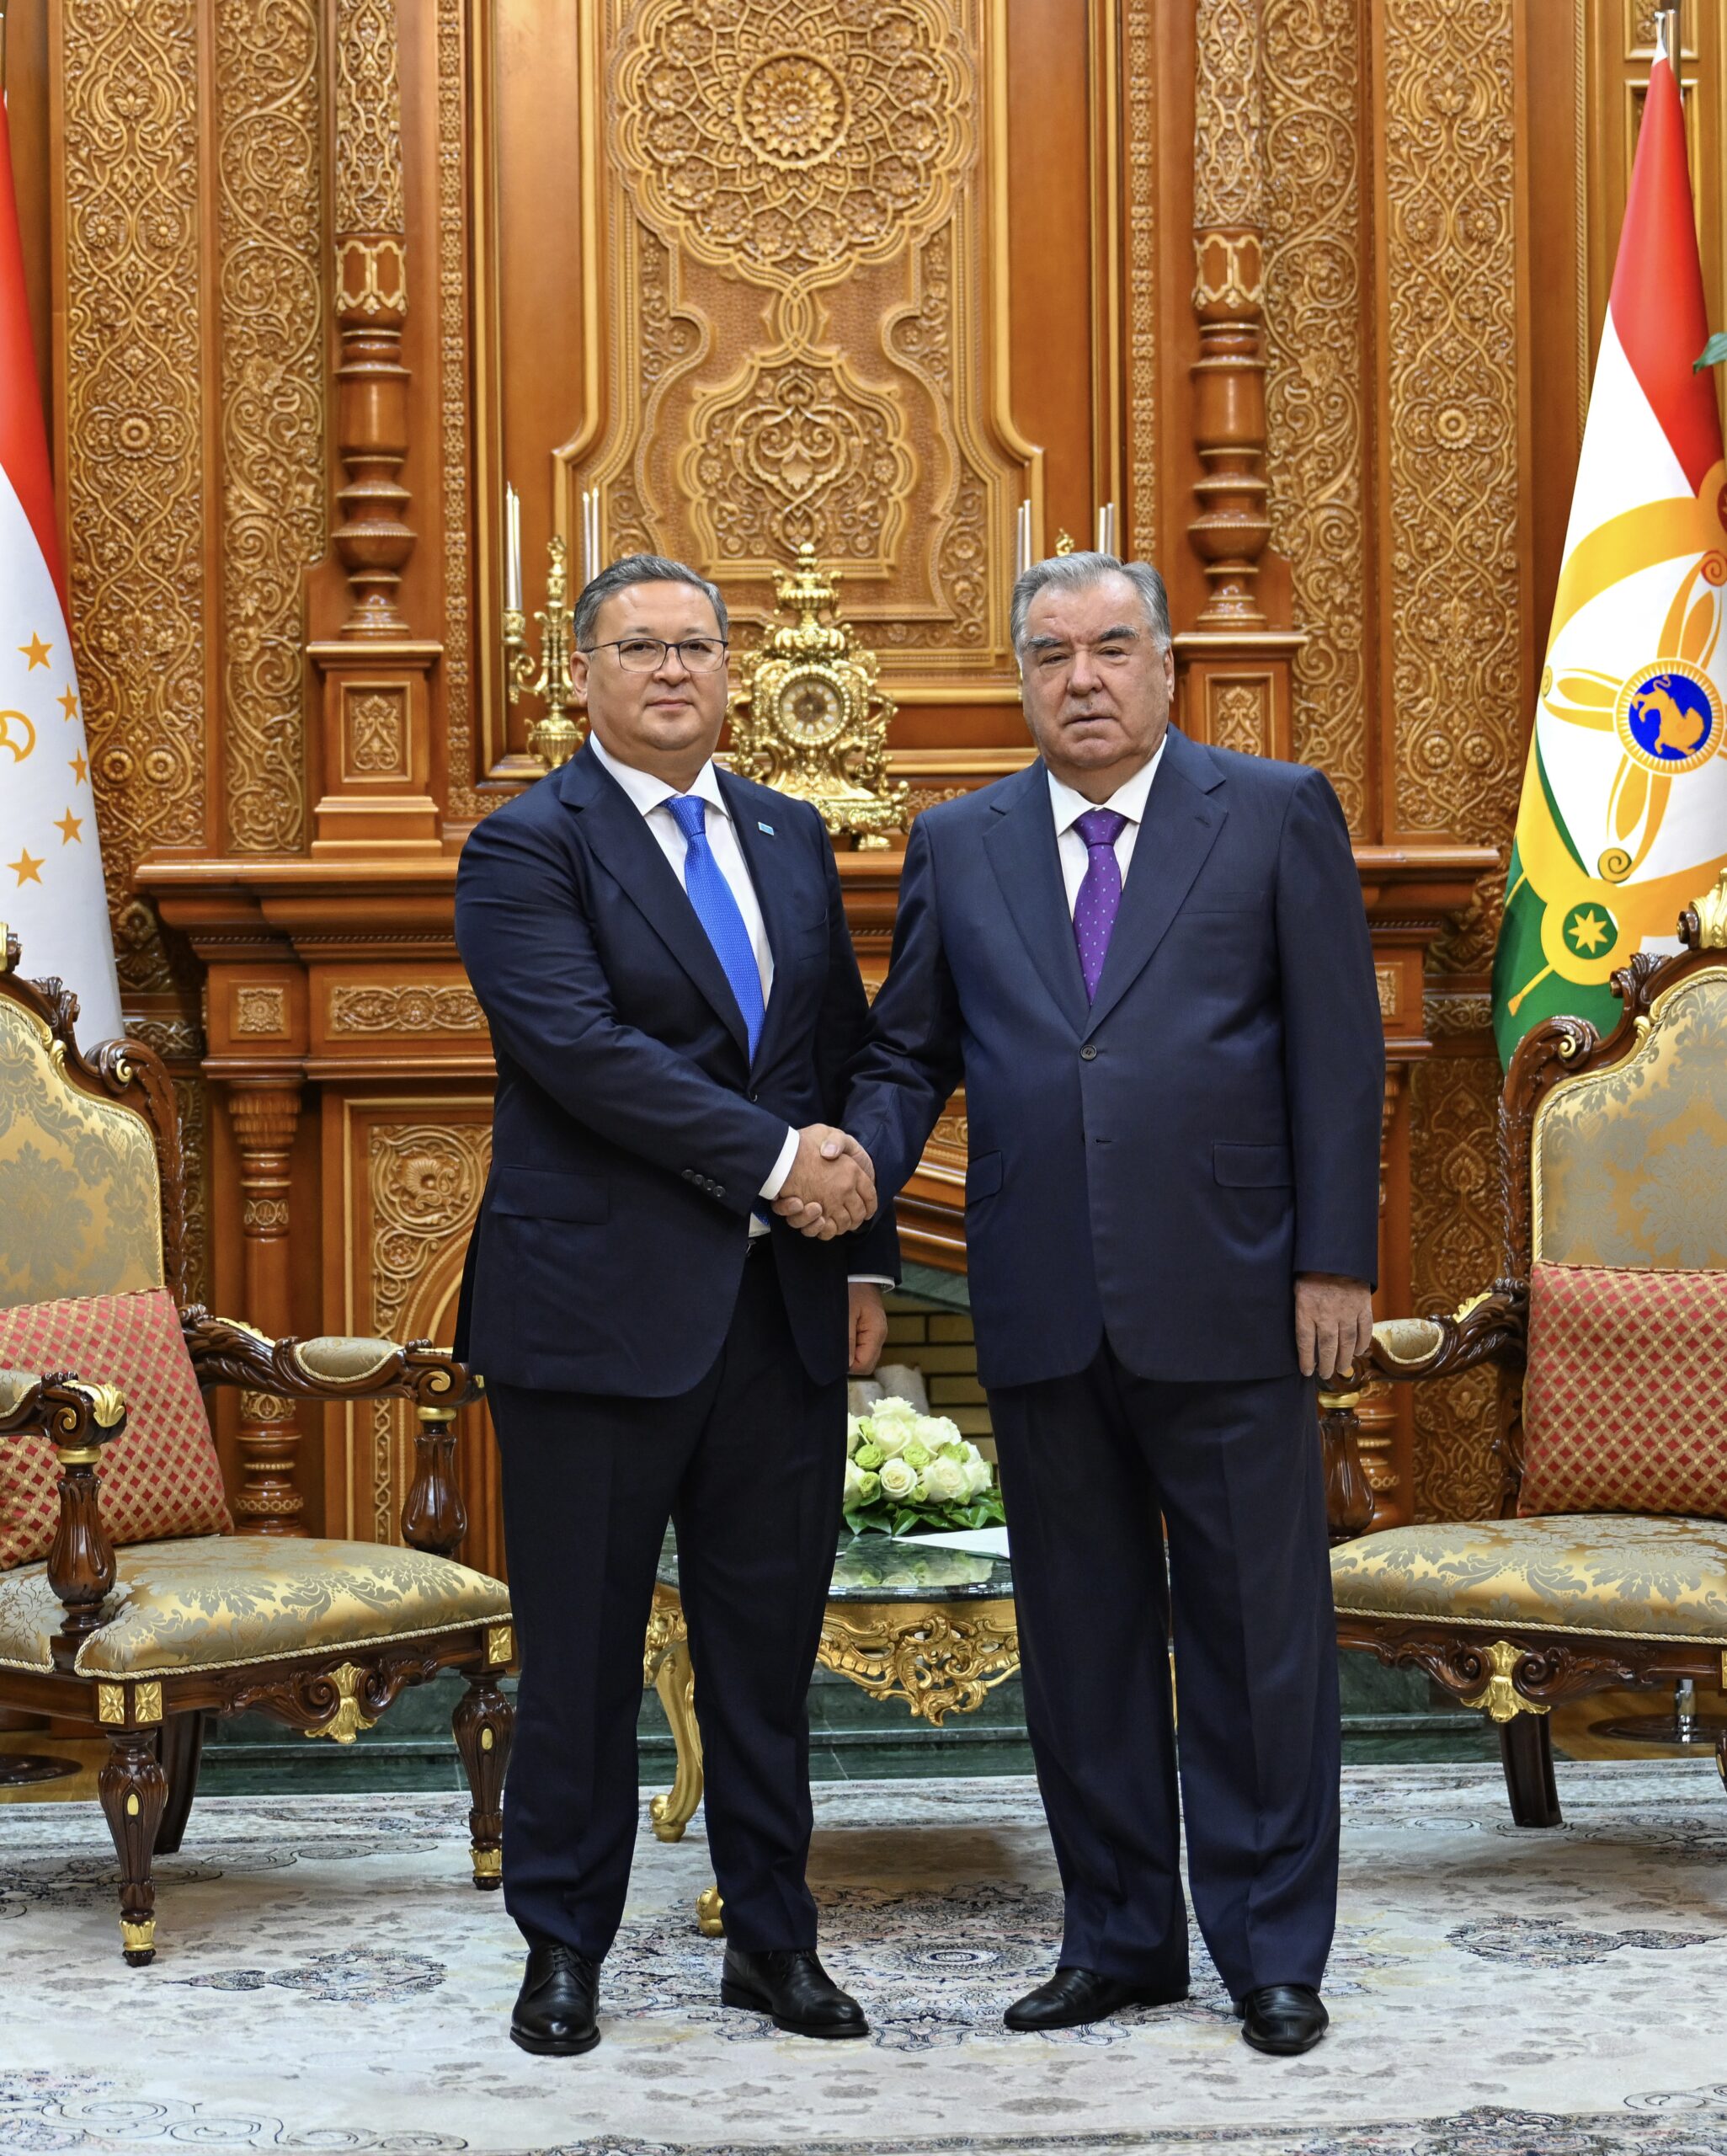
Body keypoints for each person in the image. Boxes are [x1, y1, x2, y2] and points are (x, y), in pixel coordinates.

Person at [800, 552, 1383, 2057]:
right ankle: (1120, 1941)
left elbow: (1338, 1052)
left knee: (1257, 1639)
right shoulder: (963, 840)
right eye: (1052, 655)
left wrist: (1335, 1261)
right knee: (1082, 1642)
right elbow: (906, 1053)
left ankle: (1272, 1953)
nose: (1084, 680)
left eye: (1113, 648)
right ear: (1020, 680)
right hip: (1045, 1297)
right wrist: (855, 1201)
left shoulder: (1274, 813)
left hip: (1237, 1289)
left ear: (1166, 665)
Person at [455, 554, 895, 2057]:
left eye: (697, 646)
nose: (671, 670)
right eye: (639, 647)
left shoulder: (786, 832)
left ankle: (772, 1942)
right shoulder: (527, 845)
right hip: (594, 1316)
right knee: (580, 1656)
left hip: (781, 1312)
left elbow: (833, 1050)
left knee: (765, 1655)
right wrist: (781, 1163)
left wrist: (862, 1240)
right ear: (581, 674)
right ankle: (562, 1948)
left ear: (731, 672)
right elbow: (584, 1054)